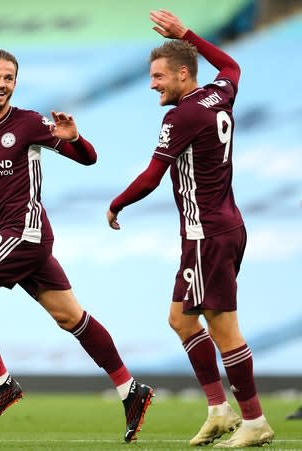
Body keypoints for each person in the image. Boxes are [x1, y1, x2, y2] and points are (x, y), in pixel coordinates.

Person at [0, 48, 154, 442]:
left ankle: (2, 383)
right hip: (19, 238)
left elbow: (88, 159)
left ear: (15, 83)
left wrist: (76, 138)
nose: (2, 84)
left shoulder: (31, 122)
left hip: (24, 232)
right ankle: (129, 388)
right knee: (71, 318)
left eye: (9, 78)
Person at [107, 10, 274, 448]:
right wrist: (186, 34)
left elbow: (150, 176)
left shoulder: (180, 118)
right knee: (181, 319)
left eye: (159, 76)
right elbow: (232, 67)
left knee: (223, 328)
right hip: (225, 227)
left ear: (183, 74)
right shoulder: (219, 94)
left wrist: (116, 203)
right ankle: (220, 410)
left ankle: (254, 421)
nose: (152, 84)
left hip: (208, 235)